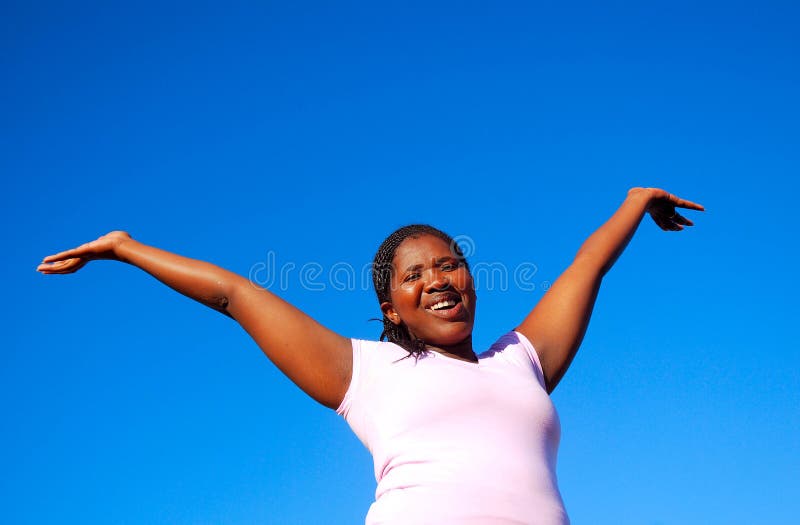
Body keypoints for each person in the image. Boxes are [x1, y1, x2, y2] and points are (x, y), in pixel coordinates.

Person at [37, 187, 704, 524]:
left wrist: (634, 201)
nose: (438, 279)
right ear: (392, 308)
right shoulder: (368, 371)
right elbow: (235, 295)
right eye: (415, 274)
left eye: (450, 264)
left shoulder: (521, 361)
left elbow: (587, 266)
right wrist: (124, 247)